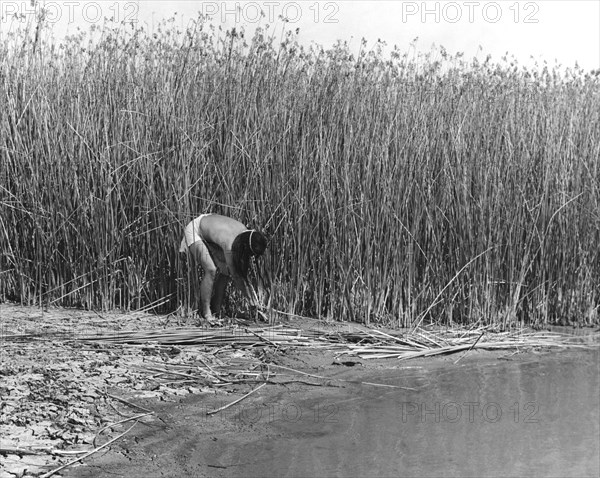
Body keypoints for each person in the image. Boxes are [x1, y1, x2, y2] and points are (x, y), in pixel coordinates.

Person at [179, 213, 267, 323]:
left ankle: (217, 310)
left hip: (210, 228)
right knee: (211, 270)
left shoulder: (245, 234)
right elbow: (237, 276)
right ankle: (207, 313)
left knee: (226, 272)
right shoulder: (229, 244)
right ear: (245, 247)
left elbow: (241, 274)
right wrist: (252, 301)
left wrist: (253, 299)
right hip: (195, 230)